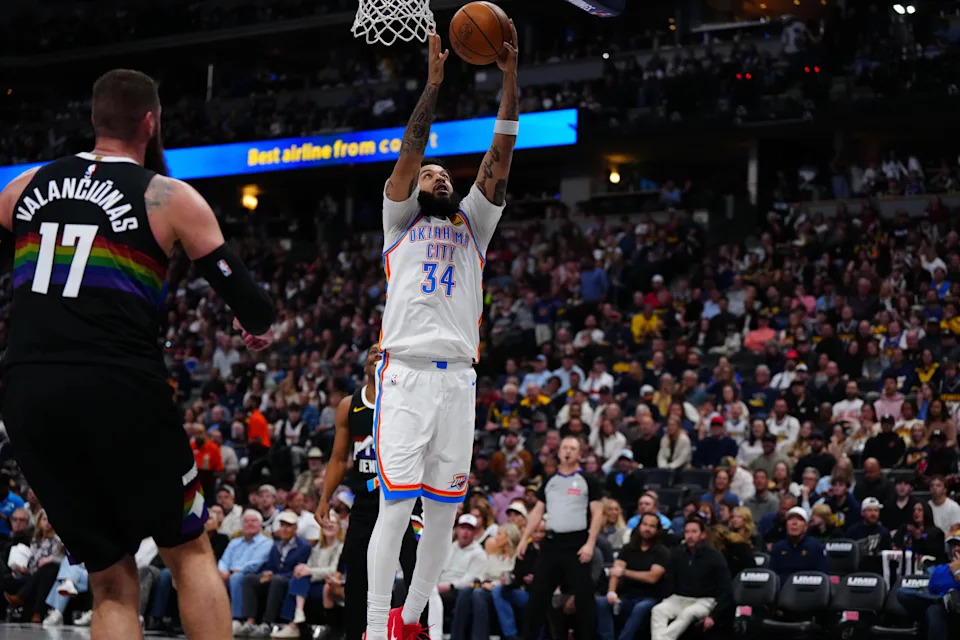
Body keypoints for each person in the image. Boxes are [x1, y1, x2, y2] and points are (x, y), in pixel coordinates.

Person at [0, 70, 275, 640]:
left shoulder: (23, 186)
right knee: (188, 550)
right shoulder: (167, 195)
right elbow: (251, 302)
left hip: (29, 394)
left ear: (95, 120)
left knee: (109, 577)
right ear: (150, 122)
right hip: (118, 388)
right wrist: (254, 328)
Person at [363, 26, 521, 640]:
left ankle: (410, 618)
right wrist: (432, 84)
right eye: (429, 175)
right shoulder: (399, 219)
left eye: (442, 176)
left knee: (444, 510)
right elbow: (408, 151)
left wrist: (509, 80)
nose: (436, 177)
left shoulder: (473, 226)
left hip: (458, 381)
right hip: (404, 375)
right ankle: (378, 629)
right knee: (397, 508)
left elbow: (500, 154)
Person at [315, 346, 422, 640]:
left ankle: (416, 634)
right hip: (365, 502)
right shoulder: (349, 406)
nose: (377, 357)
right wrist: (325, 498)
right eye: (373, 352)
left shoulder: (408, 402)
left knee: (416, 574)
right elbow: (338, 459)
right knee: (357, 578)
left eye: (383, 353)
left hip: (406, 499)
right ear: (364, 363)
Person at [518, 436, 604, 640]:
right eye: (564, 447)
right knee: (538, 597)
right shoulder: (550, 481)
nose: (568, 451)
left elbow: (598, 513)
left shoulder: (588, 480)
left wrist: (590, 544)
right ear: (558, 453)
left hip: (577, 544)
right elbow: (538, 512)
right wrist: (524, 539)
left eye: (573, 448)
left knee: (584, 600)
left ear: (579, 454)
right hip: (552, 544)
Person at [650, 517, 732, 640]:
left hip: (704, 600)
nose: (690, 535)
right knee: (658, 610)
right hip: (679, 598)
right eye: (687, 532)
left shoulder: (715, 556)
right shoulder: (677, 554)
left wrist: (714, 616)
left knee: (688, 613)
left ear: (703, 534)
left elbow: (726, 589)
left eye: (694, 532)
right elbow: (669, 581)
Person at [595, 513, 669, 640]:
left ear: (657, 530)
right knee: (601, 602)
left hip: (650, 597)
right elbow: (615, 571)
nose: (647, 529)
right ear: (639, 526)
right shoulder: (628, 548)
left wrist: (625, 572)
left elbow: (652, 577)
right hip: (627, 595)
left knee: (640, 608)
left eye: (652, 526)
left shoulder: (662, 551)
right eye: (645, 524)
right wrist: (611, 592)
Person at [769, 507, 827, 579]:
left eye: (800, 519)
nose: (794, 523)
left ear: (806, 526)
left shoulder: (816, 548)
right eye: (790, 519)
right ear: (786, 524)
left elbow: (821, 578)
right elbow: (772, 577)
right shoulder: (778, 548)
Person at [846, 497, 892, 572]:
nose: (873, 513)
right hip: (857, 570)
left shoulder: (884, 532)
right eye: (870, 510)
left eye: (876, 510)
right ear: (862, 512)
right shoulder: (853, 531)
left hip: (877, 571)